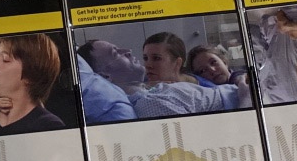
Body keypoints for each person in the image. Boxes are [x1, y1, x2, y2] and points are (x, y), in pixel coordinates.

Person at [78, 38, 245, 118]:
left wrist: (239, 78)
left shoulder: (152, 88)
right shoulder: (151, 103)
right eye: (116, 53)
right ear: (105, 76)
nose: (127, 50)